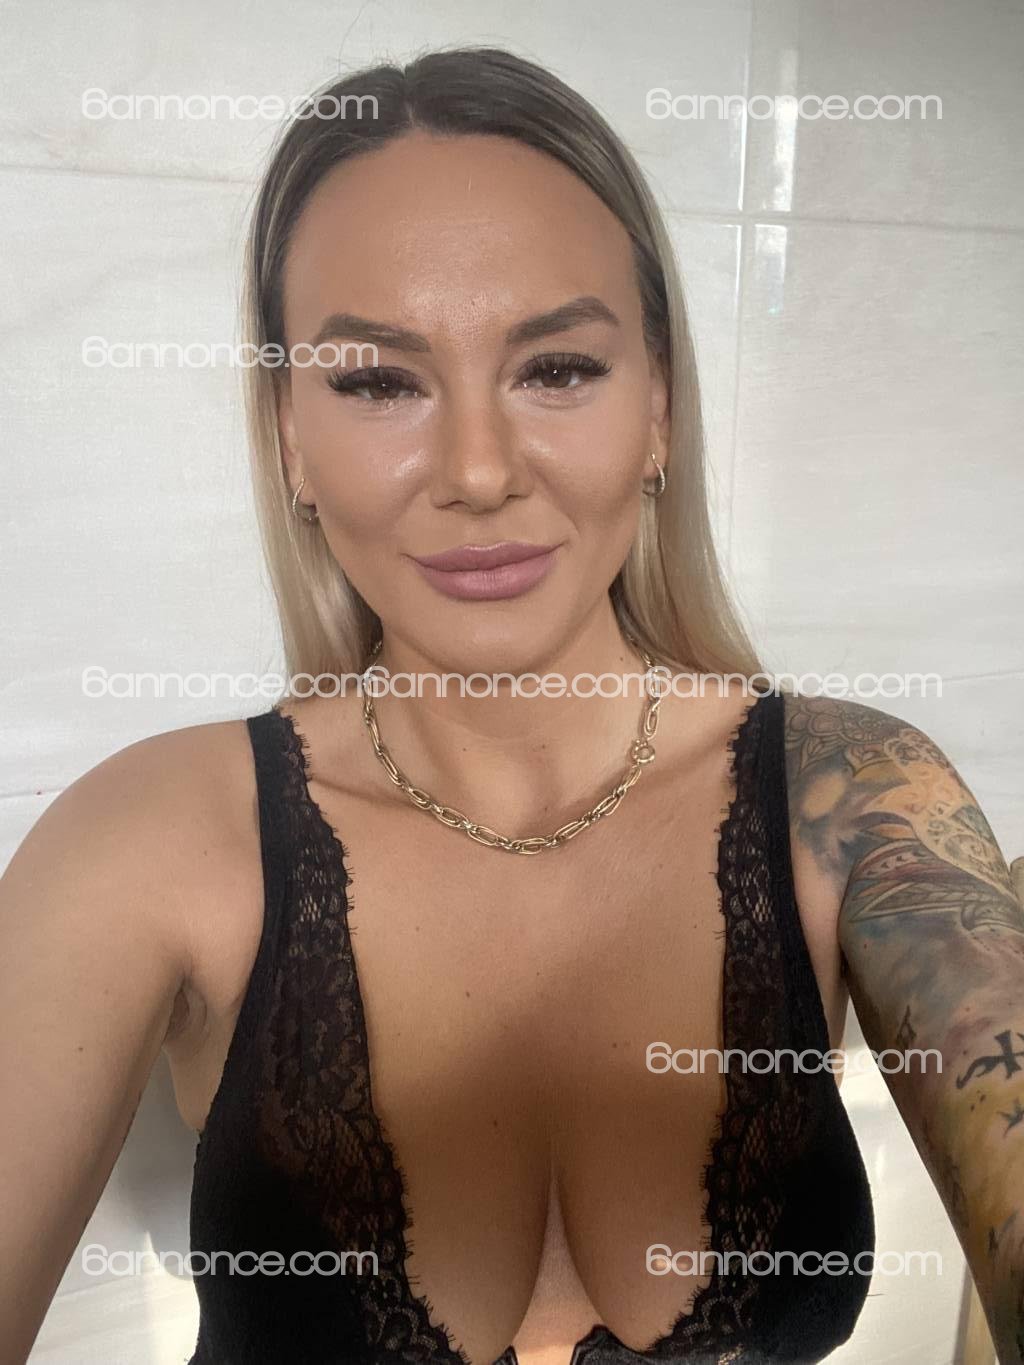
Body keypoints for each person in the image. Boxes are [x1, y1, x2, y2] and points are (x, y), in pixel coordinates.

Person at [2, 46, 1021, 1365]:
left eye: (559, 368)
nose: (479, 471)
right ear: (291, 437)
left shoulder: (854, 792)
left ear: (659, 407)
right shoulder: (146, 842)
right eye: (378, 381)